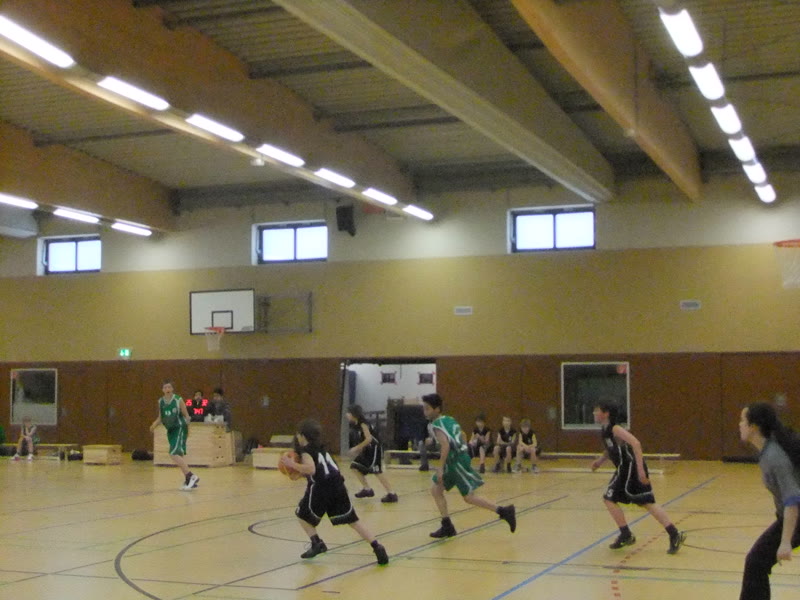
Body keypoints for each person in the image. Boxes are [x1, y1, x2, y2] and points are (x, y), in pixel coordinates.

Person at [280, 418, 389, 565]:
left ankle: (317, 543)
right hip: (338, 486)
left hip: (321, 489)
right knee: (353, 521)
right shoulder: (322, 450)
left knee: (301, 514)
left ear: (302, 436)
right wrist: (299, 474)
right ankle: (377, 547)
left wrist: (291, 464)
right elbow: (323, 470)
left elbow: (311, 469)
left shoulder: (306, 451)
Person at [590, 402, 685, 554]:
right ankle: (672, 534)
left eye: (597, 410)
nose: (594, 413)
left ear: (606, 413)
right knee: (640, 502)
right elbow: (611, 448)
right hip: (624, 469)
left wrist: (641, 471)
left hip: (631, 468)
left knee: (614, 499)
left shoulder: (615, 428)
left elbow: (636, 443)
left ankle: (628, 534)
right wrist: (600, 461)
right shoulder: (605, 429)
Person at [421, 393, 516, 538]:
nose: (425, 412)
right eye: (424, 408)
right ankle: (447, 525)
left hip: (455, 462)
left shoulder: (436, 425)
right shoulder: (449, 419)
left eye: (427, 409)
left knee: (468, 497)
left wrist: (440, 468)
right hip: (458, 458)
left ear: (437, 409)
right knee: (436, 489)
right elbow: (462, 435)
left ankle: (503, 511)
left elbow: (446, 445)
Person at [737, 402, 800, 600]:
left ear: (754, 426)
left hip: (797, 518)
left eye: (742, 420)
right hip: (792, 518)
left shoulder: (774, 456)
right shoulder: (767, 451)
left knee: (756, 562)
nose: (739, 425)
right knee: (756, 562)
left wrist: (785, 542)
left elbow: (792, 501)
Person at [150, 380, 199, 490]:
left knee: (173, 453)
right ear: (162, 390)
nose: (167, 389)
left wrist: (188, 429)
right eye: (165, 387)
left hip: (180, 427)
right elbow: (161, 417)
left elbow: (187, 416)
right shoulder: (161, 402)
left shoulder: (178, 400)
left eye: (169, 387)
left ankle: (191, 476)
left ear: (172, 389)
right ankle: (188, 479)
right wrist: (154, 424)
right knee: (178, 455)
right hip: (170, 430)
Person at [346, 405, 398, 503]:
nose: (347, 415)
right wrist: (359, 449)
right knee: (354, 466)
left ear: (354, 414)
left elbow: (369, 439)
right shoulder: (355, 425)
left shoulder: (363, 424)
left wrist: (356, 448)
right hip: (367, 450)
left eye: (348, 413)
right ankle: (367, 489)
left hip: (374, 449)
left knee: (377, 471)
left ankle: (392, 493)